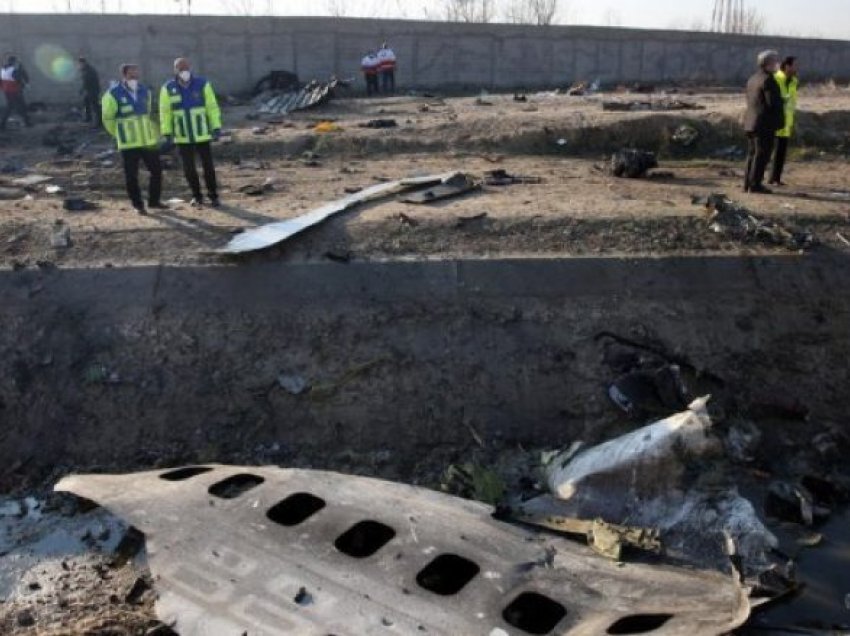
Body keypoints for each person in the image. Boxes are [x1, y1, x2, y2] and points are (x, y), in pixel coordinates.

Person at [101, 63, 164, 215]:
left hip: (147, 141)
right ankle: (138, 205)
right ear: (124, 75)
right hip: (128, 143)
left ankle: (154, 201)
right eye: (131, 73)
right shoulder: (113, 93)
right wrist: (119, 134)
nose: (135, 75)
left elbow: (147, 114)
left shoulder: (144, 91)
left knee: (157, 171)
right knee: (131, 176)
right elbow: (108, 118)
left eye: (136, 72)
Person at [160, 57, 222, 208]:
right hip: (183, 136)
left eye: (186, 68)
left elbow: (212, 107)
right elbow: (165, 112)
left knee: (208, 167)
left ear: (190, 67)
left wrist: (216, 126)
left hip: (202, 133)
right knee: (189, 169)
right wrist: (167, 132)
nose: (184, 71)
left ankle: (213, 196)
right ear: (175, 70)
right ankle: (197, 196)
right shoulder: (168, 88)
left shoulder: (202, 84)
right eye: (180, 68)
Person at [743, 50, 784, 194]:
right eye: (775, 61)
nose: (777, 64)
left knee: (752, 154)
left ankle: (747, 183)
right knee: (762, 154)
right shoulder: (769, 80)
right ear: (768, 64)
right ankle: (755, 185)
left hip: (751, 121)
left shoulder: (753, 78)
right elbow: (772, 102)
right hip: (764, 124)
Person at [769, 56, 799, 186]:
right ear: (787, 66)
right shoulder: (776, 79)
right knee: (769, 151)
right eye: (795, 65)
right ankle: (765, 178)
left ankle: (776, 178)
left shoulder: (794, 81)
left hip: (786, 122)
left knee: (781, 152)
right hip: (774, 121)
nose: (797, 68)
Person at [0, 54, 33, 130]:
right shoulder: (15, 69)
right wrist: (25, 85)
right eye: (16, 61)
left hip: (7, 91)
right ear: (14, 62)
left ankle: (26, 122)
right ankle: (3, 124)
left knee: (15, 106)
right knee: (19, 106)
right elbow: (20, 77)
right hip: (15, 91)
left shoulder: (3, 69)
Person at [78, 56, 101, 127]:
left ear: (83, 63)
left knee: (95, 106)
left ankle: (99, 122)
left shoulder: (89, 70)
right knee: (86, 102)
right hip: (90, 90)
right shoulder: (86, 69)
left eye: (80, 64)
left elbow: (87, 81)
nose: (79, 65)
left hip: (93, 90)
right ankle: (88, 118)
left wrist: (82, 90)